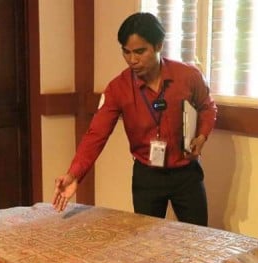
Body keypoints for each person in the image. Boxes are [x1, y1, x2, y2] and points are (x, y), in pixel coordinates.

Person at [52, 12, 217, 226]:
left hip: (186, 174)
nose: (132, 60)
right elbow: (96, 134)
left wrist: (202, 136)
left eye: (140, 52)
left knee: (197, 240)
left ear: (158, 46)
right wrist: (74, 174)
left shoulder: (187, 76)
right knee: (145, 241)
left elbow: (207, 107)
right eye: (126, 52)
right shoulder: (118, 89)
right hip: (147, 176)